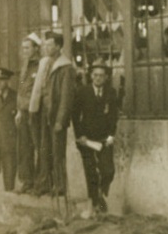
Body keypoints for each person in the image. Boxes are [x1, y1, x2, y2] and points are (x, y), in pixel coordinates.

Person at [72, 62, 121, 215]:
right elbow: (75, 115)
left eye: (101, 75)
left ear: (106, 78)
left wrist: (112, 135)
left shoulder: (110, 93)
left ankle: (101, 191)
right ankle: (95, 202)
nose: (98, 78)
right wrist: (80, 136)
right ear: (91, 76)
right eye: (95, 75)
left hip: (104, 138)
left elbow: (114, 116)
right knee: (91, 172)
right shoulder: (82, 92)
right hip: (86, 139)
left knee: (108, 170)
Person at [32, 32, 76, 197]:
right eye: (45, 45)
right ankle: (45, 183)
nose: (46, 47)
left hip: (56, 115)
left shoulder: (66, 68)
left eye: (50, 45)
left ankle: (59, 186)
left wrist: (61, 120)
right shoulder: (44, 63)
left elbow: (66, 97)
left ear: (58, 47)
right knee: (44, 149)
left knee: (57, 152)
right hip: (43, 112)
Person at [14, 33, 42, 192]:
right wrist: (19, 110)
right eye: (23, 48)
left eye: (27, 48)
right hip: (24, 112)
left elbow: (36, 91)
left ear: (36, 49)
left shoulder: (41, 65)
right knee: (24, 147)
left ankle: (39, 182)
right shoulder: (25, 65)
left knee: (38, 146)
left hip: (35, 111)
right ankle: (27, 181)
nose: (24, 51)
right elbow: (21, 89)